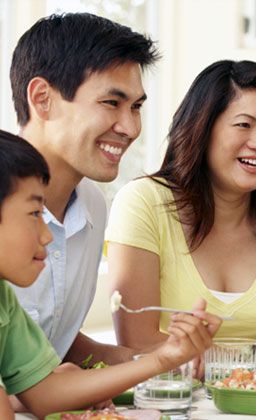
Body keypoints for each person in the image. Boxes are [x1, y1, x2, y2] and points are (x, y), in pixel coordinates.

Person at [105, 60, 256, 365]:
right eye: (244, 124)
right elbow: (138, 345)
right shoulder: (144, 203)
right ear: (202, 129)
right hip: (172, 404)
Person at [0, 130, 221, 419]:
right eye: (33, 214)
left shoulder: (5, 299)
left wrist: (165, 358)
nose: (46, 236)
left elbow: (44, 391)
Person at [9, 12, 159, 366]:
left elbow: (42, 335)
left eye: (136, 107)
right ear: (42, 98)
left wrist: (136, 360)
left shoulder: (92, 205)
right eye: (112, 103)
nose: (129, 127)